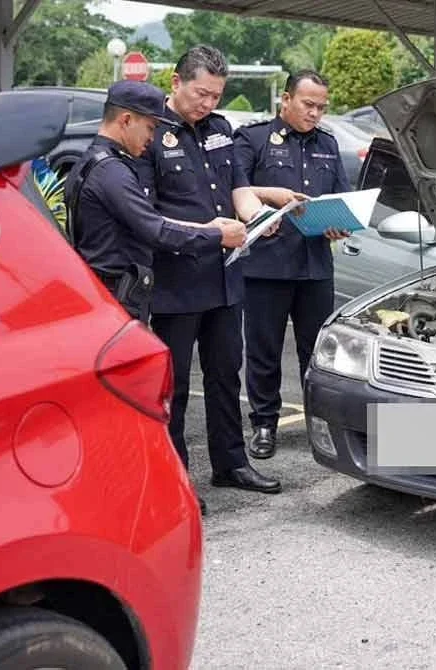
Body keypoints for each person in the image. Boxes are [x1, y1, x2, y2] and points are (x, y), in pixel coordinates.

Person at [134, 45, 290, 508]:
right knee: (176, 385)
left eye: (216, 95)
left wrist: (257, 214)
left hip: (225, 278)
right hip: (176, 282)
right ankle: (175, 478)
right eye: (201, 93)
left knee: (225, 374)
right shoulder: (151, 133)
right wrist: (211, 232)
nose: (208, 104)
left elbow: (237, 187)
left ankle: (231, 462)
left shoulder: (221, 130)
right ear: (175, 82)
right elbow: (149, 215)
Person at [232, 70, 352, 459]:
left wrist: (341, 225)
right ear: (285, 100)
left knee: (316, 351)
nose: (315, 113)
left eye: (321, 107)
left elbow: (341, 198)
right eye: (308, 105)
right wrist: (270, 197)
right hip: (267, 266)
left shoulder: (328, 145)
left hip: (314, 265)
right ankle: (264, 424)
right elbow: (235, 189)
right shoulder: (253, 139)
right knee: (264, 350)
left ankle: (320, 422)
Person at [64, 79, 247, 325]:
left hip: (110, 291)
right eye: (150, 128)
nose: (153, 137)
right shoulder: (111, 172)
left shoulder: (95, 161)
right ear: (126, 120)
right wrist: (216, 236)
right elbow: (156, 231)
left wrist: (205, 229)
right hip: (116, 294)